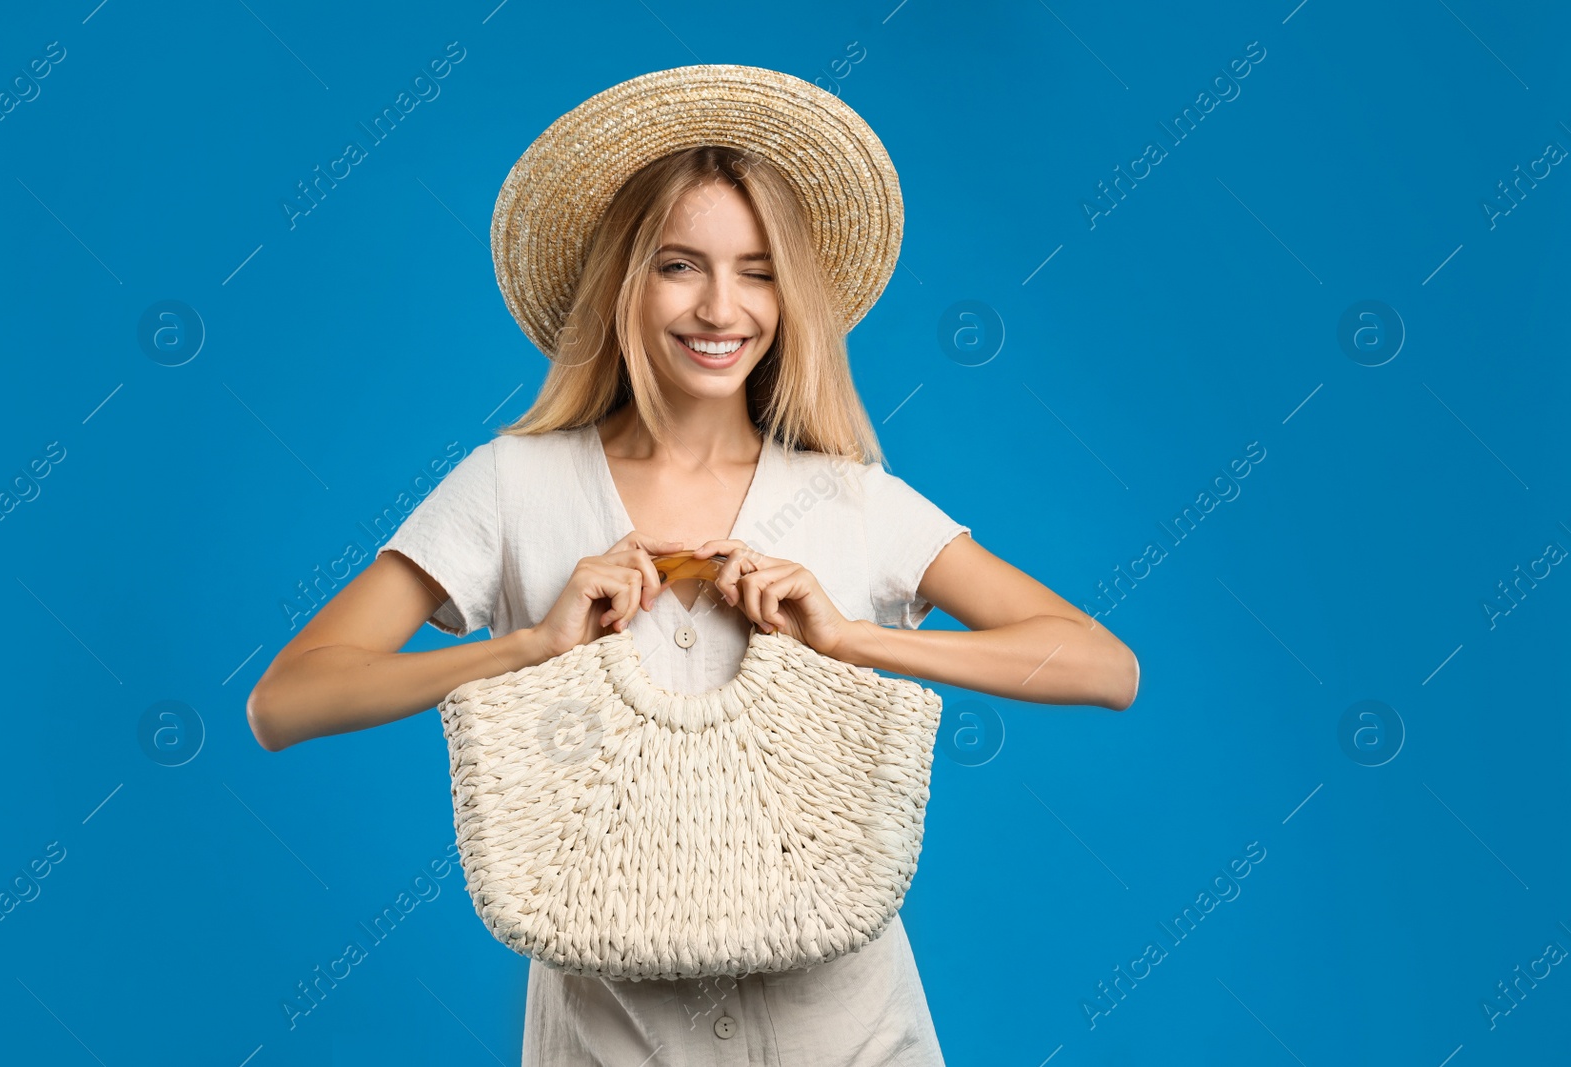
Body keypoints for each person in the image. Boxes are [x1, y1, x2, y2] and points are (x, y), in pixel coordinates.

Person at [246, 63, 1138, 1066]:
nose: (721, 308)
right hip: (608, 1037)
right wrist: (528, 647)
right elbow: (286, 701)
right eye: (680, 264)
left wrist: (851, 637)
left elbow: (1102, 666)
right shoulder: (512, 486)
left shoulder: (849, 496)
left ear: (789, 294)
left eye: (756, 270)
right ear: (625, 279)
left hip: (848, 1031)